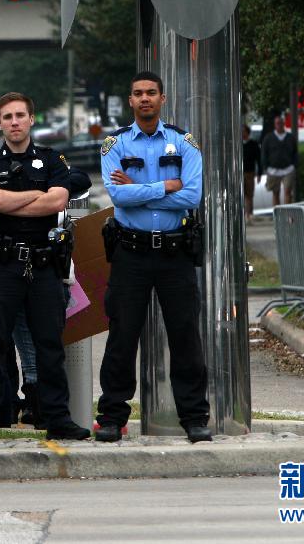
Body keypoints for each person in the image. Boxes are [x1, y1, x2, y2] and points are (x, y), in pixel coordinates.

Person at [0, 92, 89, 442]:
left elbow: (59, 199)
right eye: (8, 117)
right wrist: (36, 197)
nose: (15, 122)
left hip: (44, 264)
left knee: (49, 344)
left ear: (32, 119)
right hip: (2, 265)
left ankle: (57, 418)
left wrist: (8, 201)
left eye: (20, 115)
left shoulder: (52, 160)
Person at [94, 71, 211, 444]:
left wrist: (140, 190)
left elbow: (191, 197)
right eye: (137, 93)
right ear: (130, 101)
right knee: (122, 337)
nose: (144, 98)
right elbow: (117, 197)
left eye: (151, 93)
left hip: (175, 252)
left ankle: (194, 418)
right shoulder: (114, 144)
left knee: (185, 337)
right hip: (131, 252)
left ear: (163, 98)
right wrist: (165, 186)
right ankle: (112, 417)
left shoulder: (185, 143)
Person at [261, 115, 298, 206]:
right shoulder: (268, 138)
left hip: (288, 169)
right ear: (275, 125)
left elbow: (295, 152)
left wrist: (294, 165)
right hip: (273, 170)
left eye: (281, 123)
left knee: (287, 192)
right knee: (275, 193)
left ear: (283, 124)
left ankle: (288, 215)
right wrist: (266, 167)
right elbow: (264, 153)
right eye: (277, 123)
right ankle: (277, 214)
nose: (279, 125)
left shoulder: (290, 137)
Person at [242, 123, 262, 222]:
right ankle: (243, 214)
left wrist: (259, 174)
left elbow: (258, 159)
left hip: (250, 172)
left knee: (249, 194)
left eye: (244, 131)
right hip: (240, 173)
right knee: (242, 195)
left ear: (248, 132)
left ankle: (249, 215)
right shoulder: (237, 144)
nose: (243, 133)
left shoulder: (253, 144)